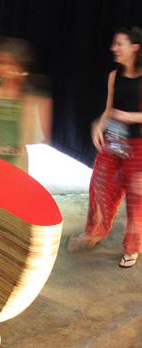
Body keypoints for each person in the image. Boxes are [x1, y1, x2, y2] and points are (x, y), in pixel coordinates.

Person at [67, 27, 142, 268]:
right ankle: (94, 232)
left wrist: (130, 117)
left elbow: (128, 114)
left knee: (136, 200)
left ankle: (132, 247)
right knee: (99, 187)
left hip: (139, 146)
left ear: (135, 47)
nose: (114, 48)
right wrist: (97, 125)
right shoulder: (114, 75)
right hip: (114, 141)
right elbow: (109, 110)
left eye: (120, 43)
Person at [0, 37, 52, 172]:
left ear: (10, 62)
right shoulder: (3, 81)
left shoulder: (29, 89)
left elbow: (40, 132)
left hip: (16, 159)